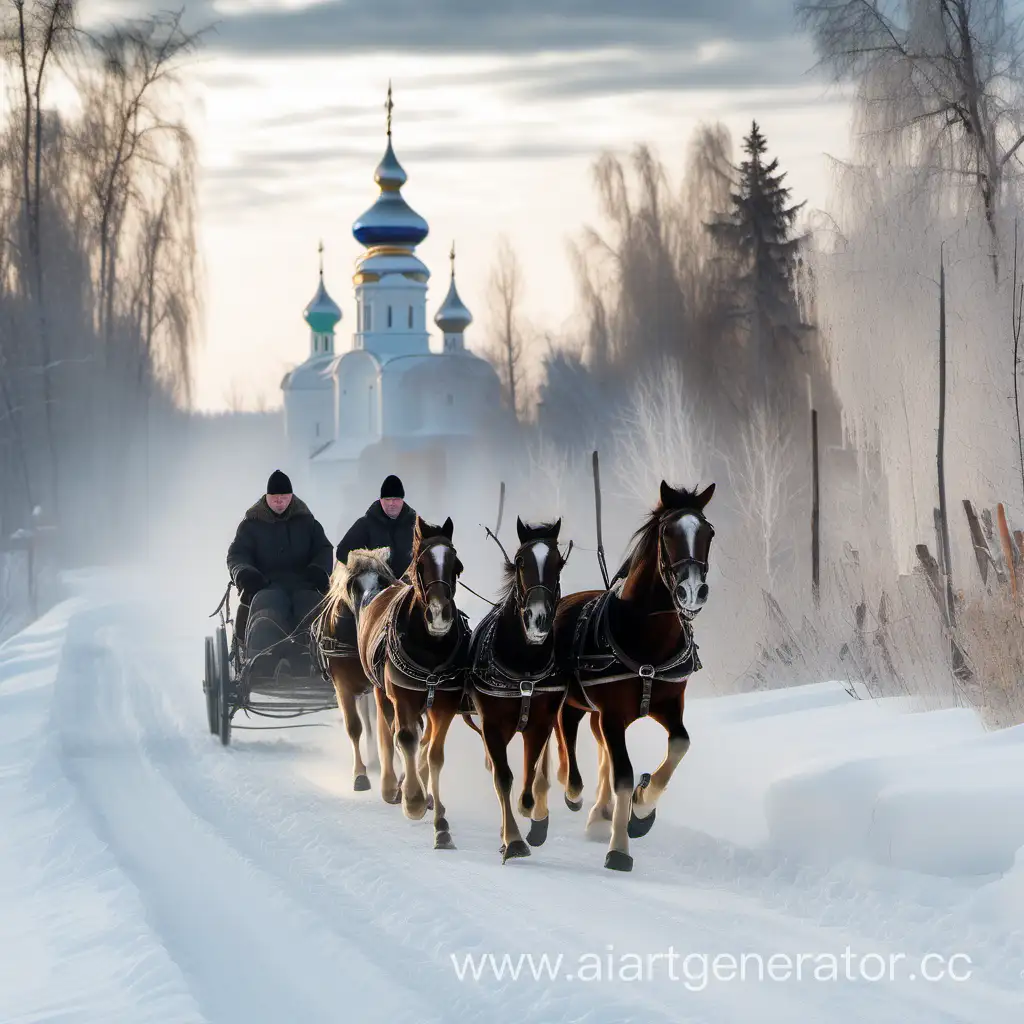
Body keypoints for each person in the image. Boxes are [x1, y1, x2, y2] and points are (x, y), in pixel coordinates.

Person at [227, 469, 333, 676]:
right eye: (275, 498)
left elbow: (324, 549)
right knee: (267, 607)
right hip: (266, 585)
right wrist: (245, 573)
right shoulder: (251, 525)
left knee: (313, 607)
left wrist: (318, 571)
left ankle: (310, 660)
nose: (279, 502)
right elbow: (237, 555)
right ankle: (266, 660)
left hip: (304, 583)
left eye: (284, 498)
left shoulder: (308, 523)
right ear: (267, 497)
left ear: (291, 497)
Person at [335, 474, 417, 580]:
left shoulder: (415, 525)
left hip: (410, 588)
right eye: (387, 499)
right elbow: (342, 551)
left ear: (402, 500)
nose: (392, 503)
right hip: (376, 590)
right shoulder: (365, 524)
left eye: (396, 499)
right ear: (381, 500)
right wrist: (369, 563)